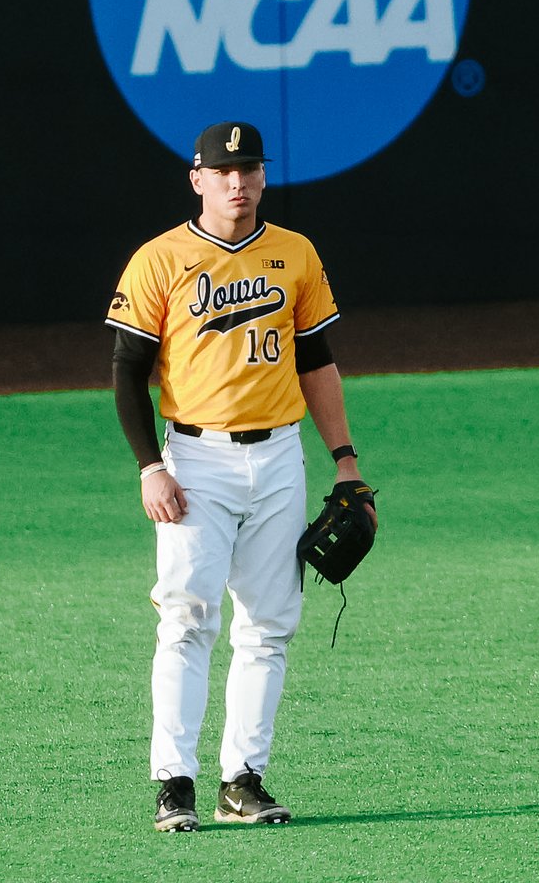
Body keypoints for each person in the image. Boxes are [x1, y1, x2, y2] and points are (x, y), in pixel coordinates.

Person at [106, 121, 375, 831]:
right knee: (187, 619)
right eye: (223, 171)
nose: (238, 182)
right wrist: (150, 465)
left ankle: (243, 780)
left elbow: (316, 361)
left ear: (261, 176)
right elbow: (127, 372)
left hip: (281, 455)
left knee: (270, 627)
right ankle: (175, 784)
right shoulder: (159, 260)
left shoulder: (295, 254)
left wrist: (344, 460)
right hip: (194, 460)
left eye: (249, 169)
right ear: (197, 179)